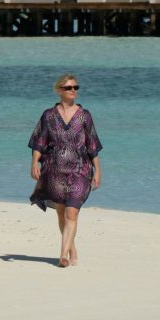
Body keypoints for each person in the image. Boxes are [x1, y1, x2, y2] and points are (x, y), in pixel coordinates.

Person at [28, 73, 102, 268]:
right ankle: (71, 248)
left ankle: (62, 255)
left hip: (80, 170)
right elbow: (39, 141)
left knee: (71, 213)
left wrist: (98, 171)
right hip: (54, 170)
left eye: (75, 88)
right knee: (61, 213)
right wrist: (34, 163)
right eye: (69, 88)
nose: (73, 91)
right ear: (59, 90)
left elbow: (92, 144)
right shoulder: (48, 115)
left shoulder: (84, 116)